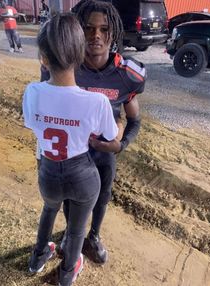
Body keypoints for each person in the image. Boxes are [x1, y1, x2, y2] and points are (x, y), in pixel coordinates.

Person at [41, 0, 146, 265]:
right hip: (71, 152)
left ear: (113, 32)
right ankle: (70, 231)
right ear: (77, 30)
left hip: (102, 153)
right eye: (88, 28)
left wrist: (121, 146)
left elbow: (134, 120)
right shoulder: (64, 66)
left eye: (103, 29)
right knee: (68, 196)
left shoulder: (127, 74)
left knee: (102, 196)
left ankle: (94, 236)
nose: (96, 35)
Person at [23, 13, 121, 286]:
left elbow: (33, 125)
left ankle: (37, 258)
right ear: (80, 55)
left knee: (49, 208)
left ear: (43, 57)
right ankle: (67, 273)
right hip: (82, 175)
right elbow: (111, 136)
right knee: (76, 230)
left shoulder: (32, 92)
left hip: (48, 170)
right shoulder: (96, 102)